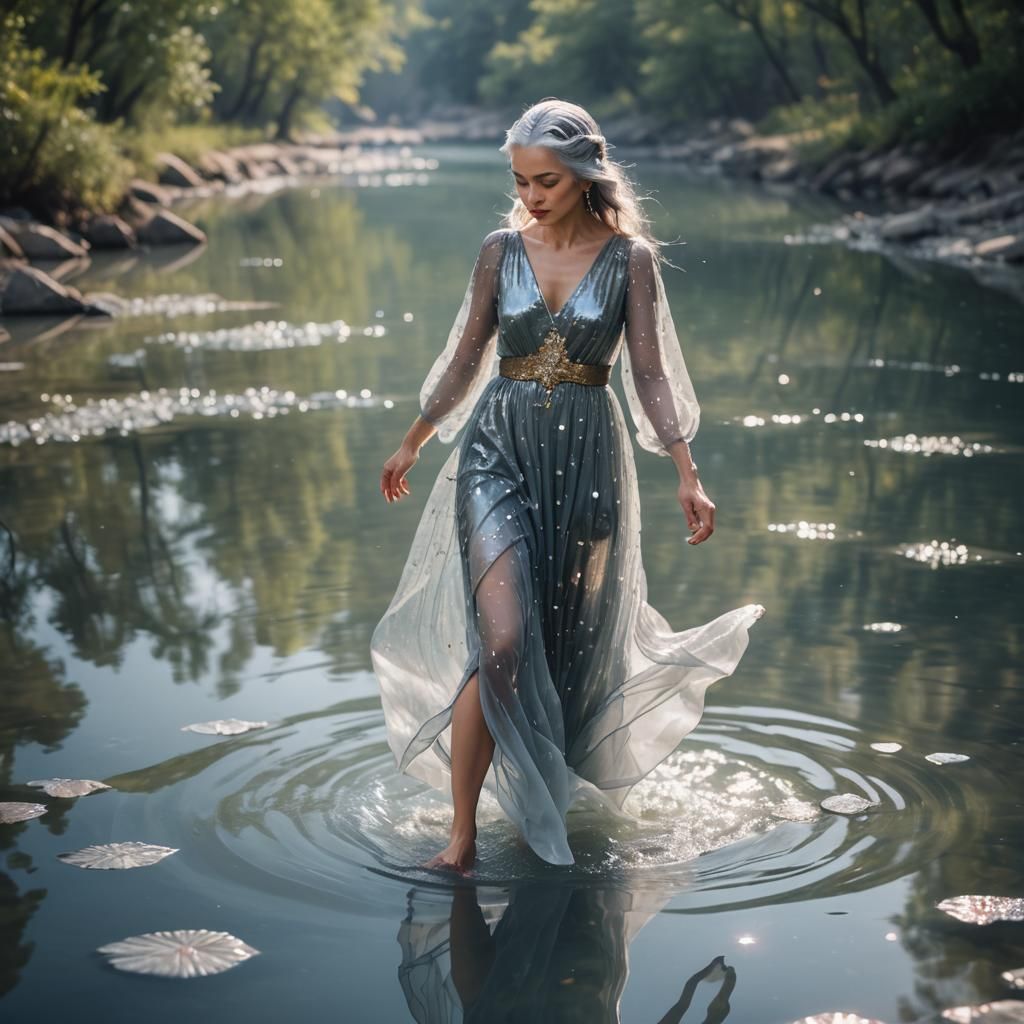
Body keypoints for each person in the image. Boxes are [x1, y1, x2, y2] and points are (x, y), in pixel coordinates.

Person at [371, 97, 764, 874]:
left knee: (563, 648)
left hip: (587, 463)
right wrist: (415, 437)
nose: (530, 196)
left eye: (545, 181)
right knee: (502, 640)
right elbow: (466, 357)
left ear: (586, 175)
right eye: (520, 181)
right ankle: (461, 836)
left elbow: (649, 374)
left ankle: (537, 809)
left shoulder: (630, 260)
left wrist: (686, 472)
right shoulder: (499, 250)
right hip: (495, 452)